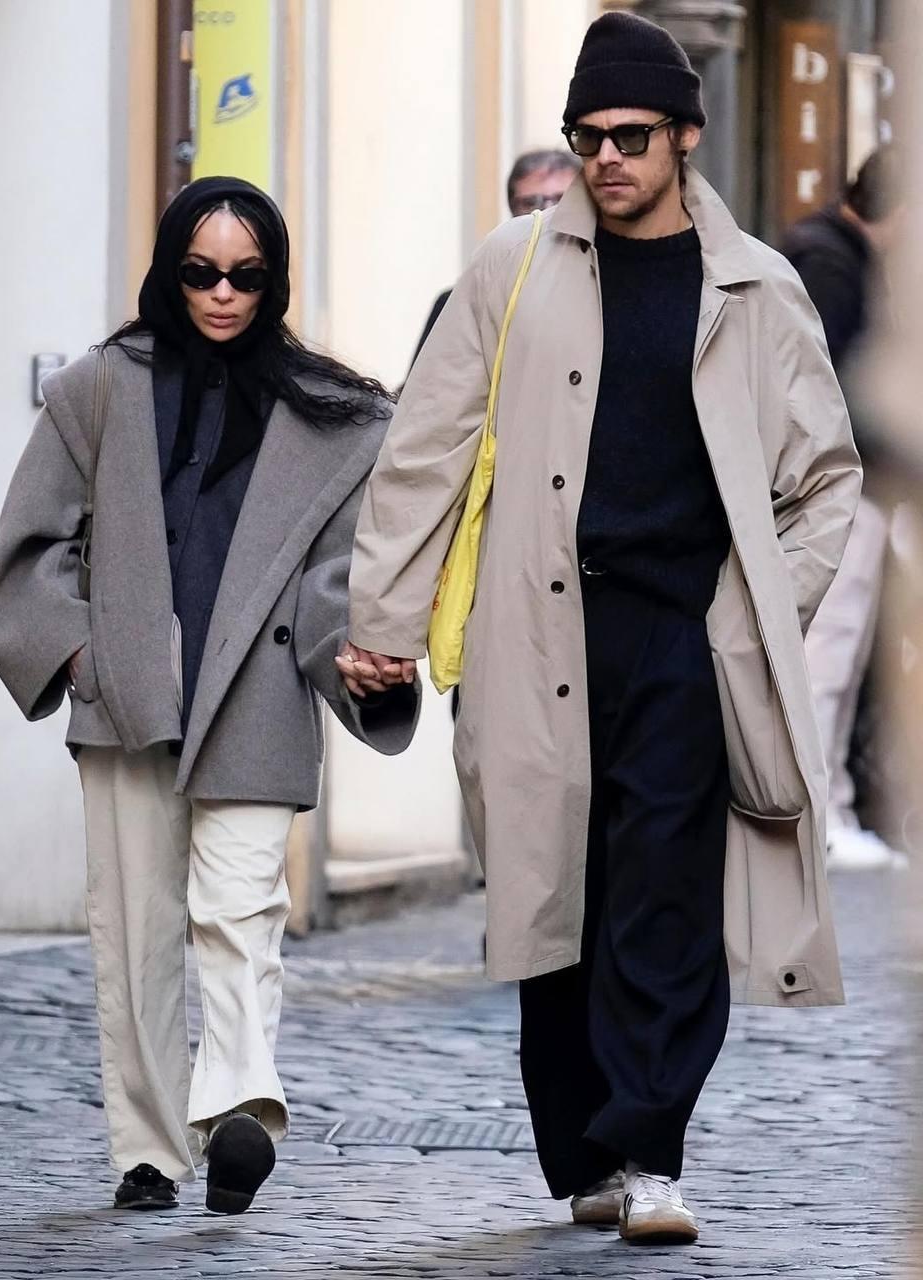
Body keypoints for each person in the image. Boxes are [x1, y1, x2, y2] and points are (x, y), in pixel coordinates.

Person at [345, 11, 860, 1246]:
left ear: (686, 136)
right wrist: (382, 619)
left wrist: (758, 616)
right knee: (555, 892)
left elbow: (824, 478)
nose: (607, 158)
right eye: (588, 138)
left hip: (690, 636)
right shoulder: (511, 267)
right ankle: (584, 1145)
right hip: (538, 632)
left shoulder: (756, 285)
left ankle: (650, 1152)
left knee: (667, 900)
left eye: (631, 136)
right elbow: (425, 450)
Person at [0, 177, 416, 1216]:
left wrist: (353, 652)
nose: (223, 293)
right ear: (169, 272)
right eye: (201, 272)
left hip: (257, 688)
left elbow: (335, 579)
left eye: (247, 276)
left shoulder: (334, 417)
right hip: (131, 696)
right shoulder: (98, 389)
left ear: (275, 282)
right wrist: (82, 657)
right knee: (134, 934)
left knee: (241, 911)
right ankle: (149, 1148)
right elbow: (31, 551)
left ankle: (238, 1112)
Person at [784, 147, 905, 870]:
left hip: (851, 480)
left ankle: (834, 807)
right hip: (836, 484)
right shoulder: (828, 262)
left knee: (845, 645)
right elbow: (828, 384)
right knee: (829, 645)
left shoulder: (836, 253)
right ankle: (819, 814)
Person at [410, 148, 581, 364]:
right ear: (512, 209)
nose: (546, 212)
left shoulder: (606, 293)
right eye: (531, 203)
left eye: (561, 200)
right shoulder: (467, 303)